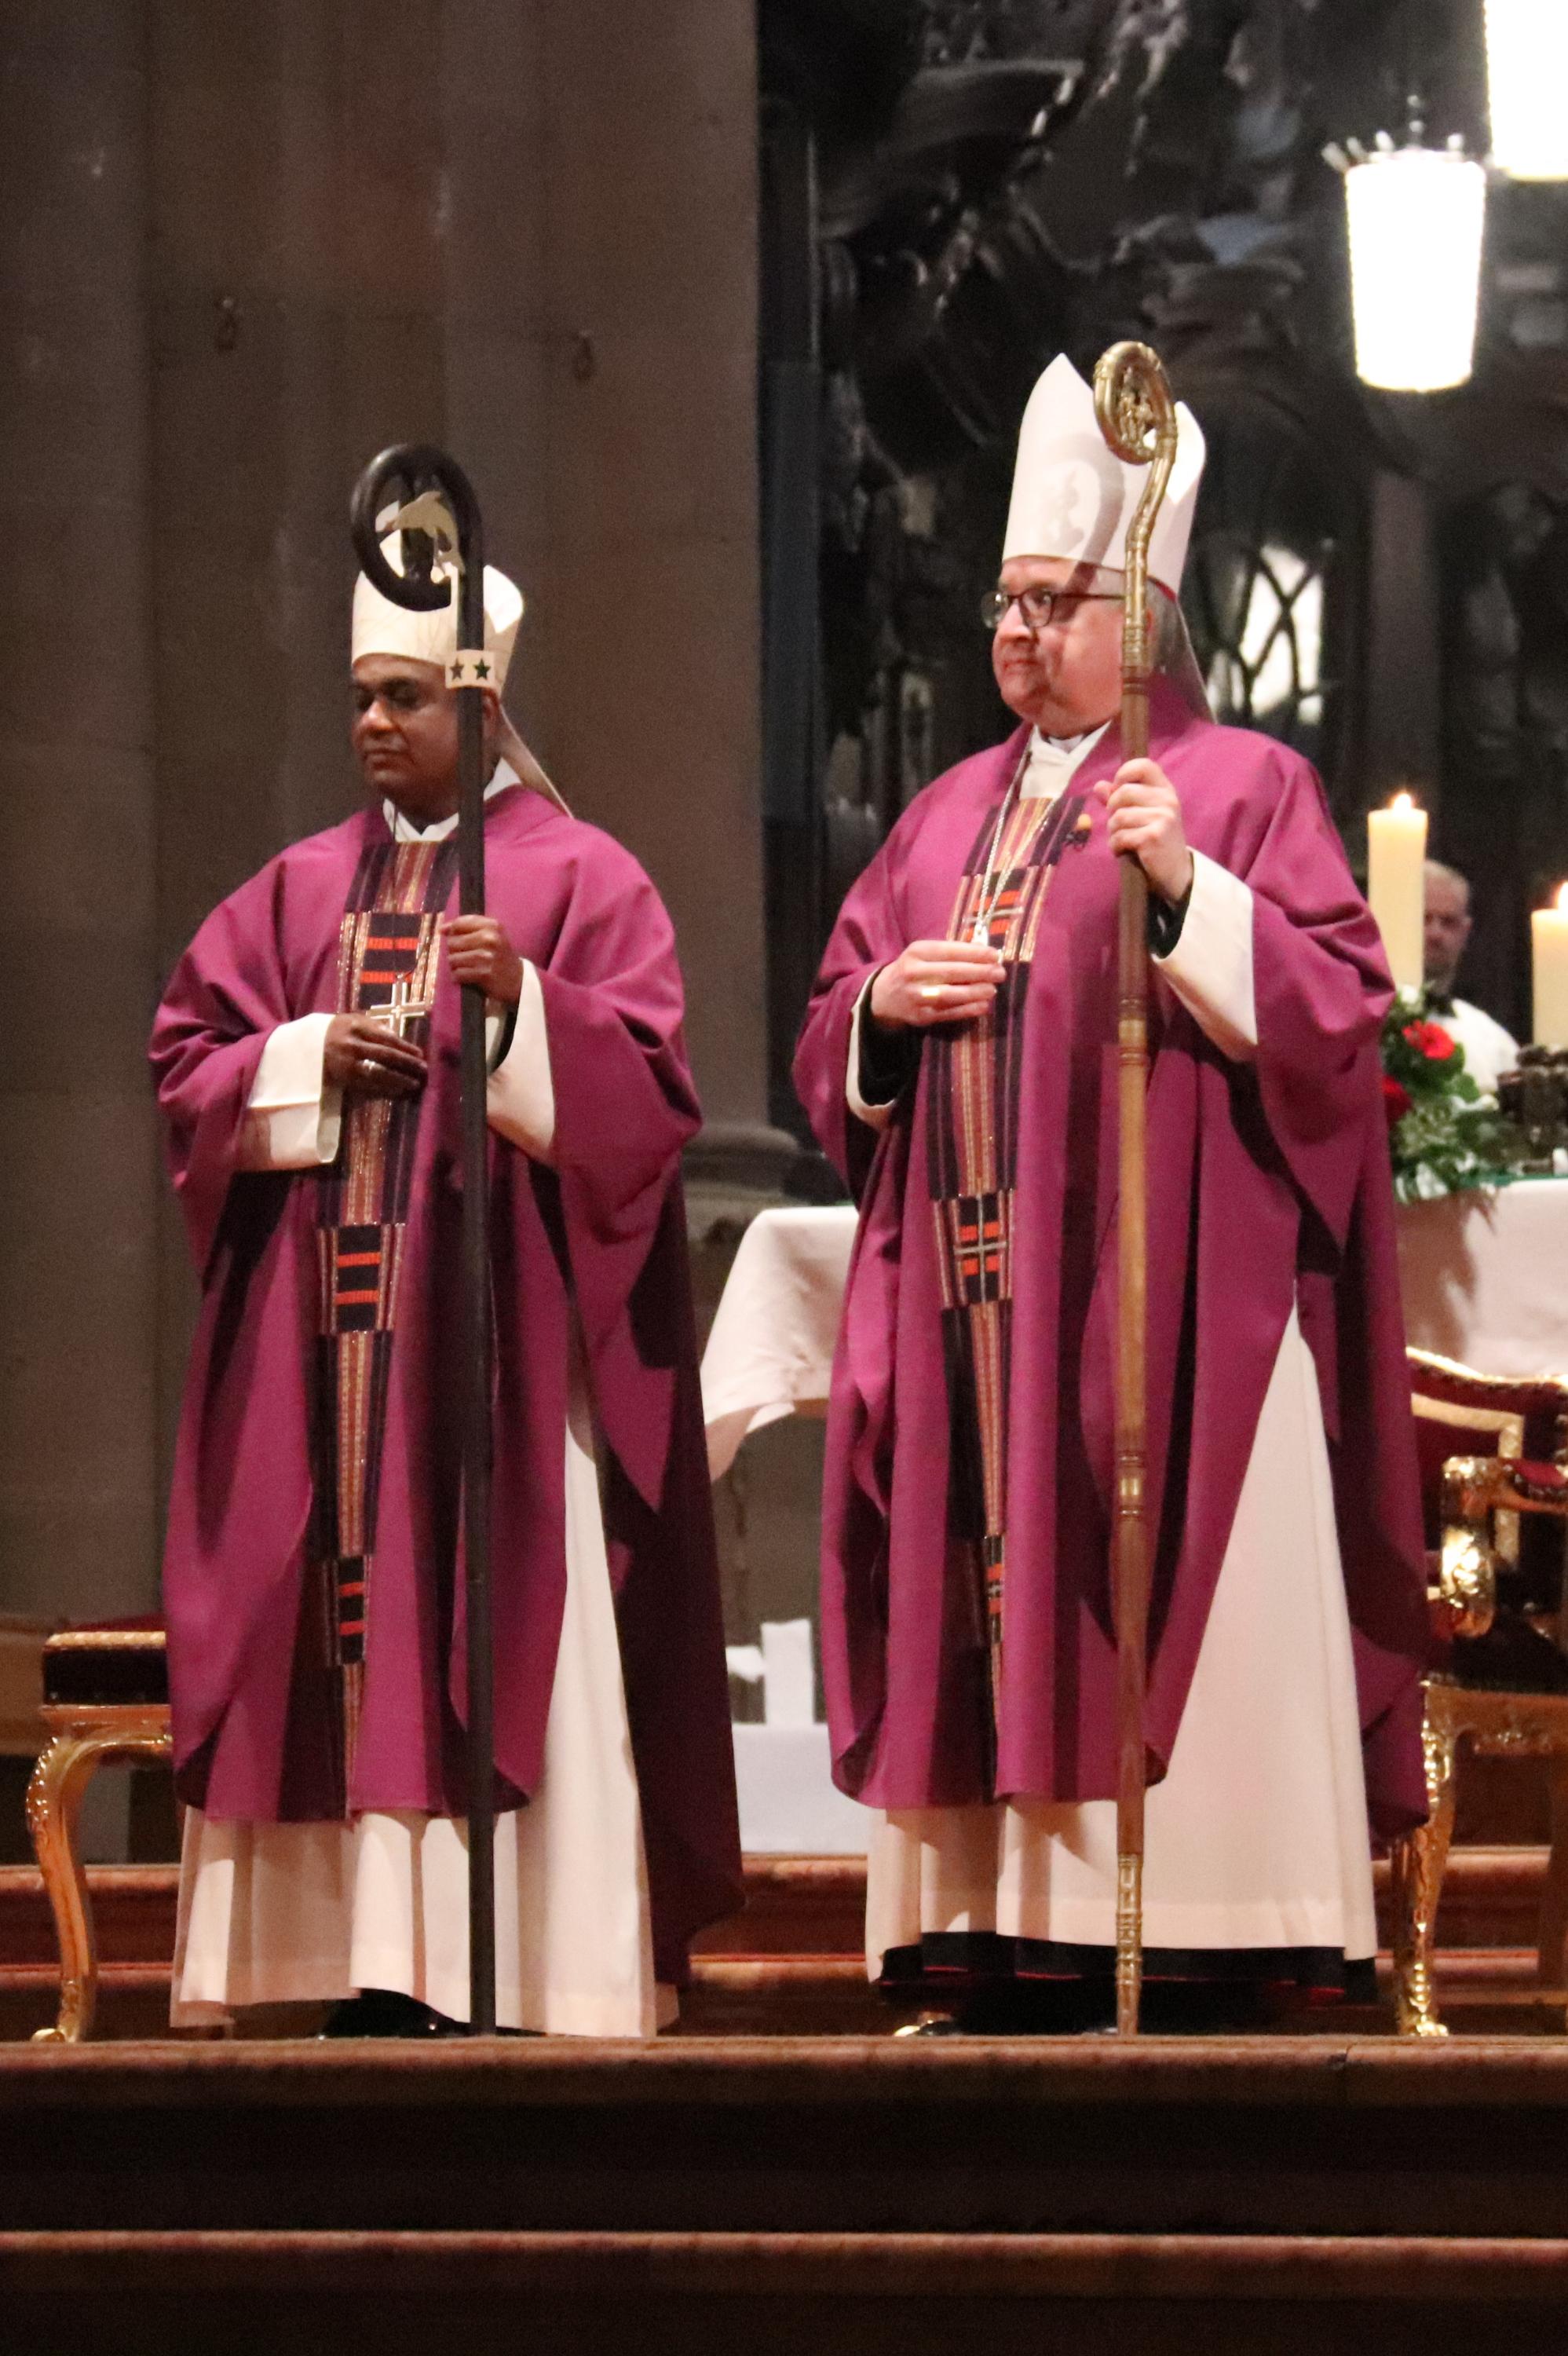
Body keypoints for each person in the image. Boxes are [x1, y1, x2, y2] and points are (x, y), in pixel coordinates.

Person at [794, 355, 1430, 2032]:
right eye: (1002, 604)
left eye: (1051, 600)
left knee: (1167, 1562)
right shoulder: (935, 819)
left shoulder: (1235, 791)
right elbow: (824, 1024)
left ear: (1142, 608)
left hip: (1164, 1311)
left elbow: (1333, 1023)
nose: (1013, 634)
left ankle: (1221, 1915)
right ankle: (998, 1926)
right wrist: (877, 1014)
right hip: (975, 1301)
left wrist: (1180, 891)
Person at [151, 532, 740, 2036]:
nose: (370, 725)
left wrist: (521, 1010)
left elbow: (651, 1103)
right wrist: (297, 1058)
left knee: (489, 1615)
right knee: (334, 1618)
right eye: (361, 696)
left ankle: (514, 1963)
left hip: (496, 1375)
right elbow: (183, 1062)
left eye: (404, 696)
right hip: (327, 1371)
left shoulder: (581, 877)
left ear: (481, 709)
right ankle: (350, 1956)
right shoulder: (294, 893)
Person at [1424, 857, 1519, 1096]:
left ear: (1465, 932)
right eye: (1424, 918)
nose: (1436, 934)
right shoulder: (1365, 1029)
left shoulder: (1493, 1042)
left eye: (1448, 922)